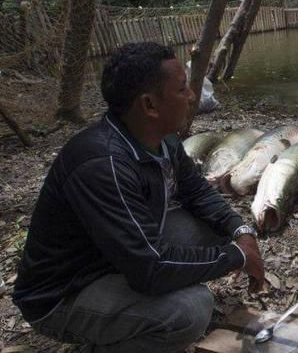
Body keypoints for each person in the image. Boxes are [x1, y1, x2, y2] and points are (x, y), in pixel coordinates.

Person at [12, 42, 265, 352]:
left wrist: (241, 231)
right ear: (150, 106)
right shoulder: (103, 165)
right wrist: (236, 257)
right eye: (182, 89)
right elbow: (150, 269)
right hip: (64, 292)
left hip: (114, 255)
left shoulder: (161, 138)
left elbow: (196, 190)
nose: (191, 97)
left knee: (215, 229)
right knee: (191, 309)